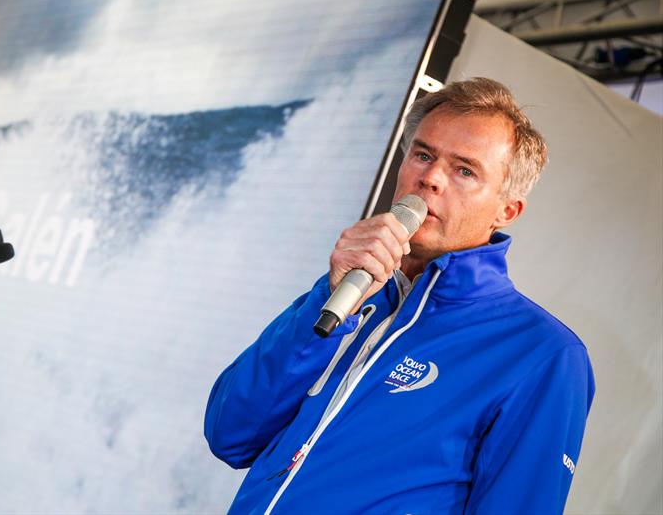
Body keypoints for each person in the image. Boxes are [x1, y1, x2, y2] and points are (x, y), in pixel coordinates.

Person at [204, 78, 595, 514]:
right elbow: (230, 434)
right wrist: (328, 299)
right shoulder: (348, 295)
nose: (430, 178)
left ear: (507, 210)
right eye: (423, 155)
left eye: (464, 170)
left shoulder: (543, 353)